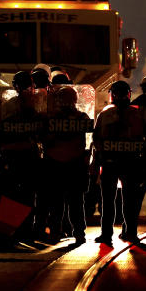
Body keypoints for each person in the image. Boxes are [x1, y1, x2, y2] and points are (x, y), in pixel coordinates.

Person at [0, 74, 46, 242]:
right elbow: (0, 129)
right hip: (15, 154)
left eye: (28, 85)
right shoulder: (9, 106)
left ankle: (25, 229)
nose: (25, 89)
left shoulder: (38, 103)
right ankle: (13, 230)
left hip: (27, 154)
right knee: (15, 195)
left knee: (28, 195)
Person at [93, 81, 145, 244]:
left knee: (108, 201)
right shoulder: (136, 114)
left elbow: (97, 140)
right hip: (130, 163)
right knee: (129, 200)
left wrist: (97, 161)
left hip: (112, 162)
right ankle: (130, 233)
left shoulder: (105, 113)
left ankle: (107, 234)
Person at [43, 86, 92, 244]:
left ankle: (57, 233)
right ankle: (78, 233)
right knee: (75, 202)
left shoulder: (51, 118)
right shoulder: (81, 117)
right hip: (74, 164)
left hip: (57, 164)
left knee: (57, 202)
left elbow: (45, 140)